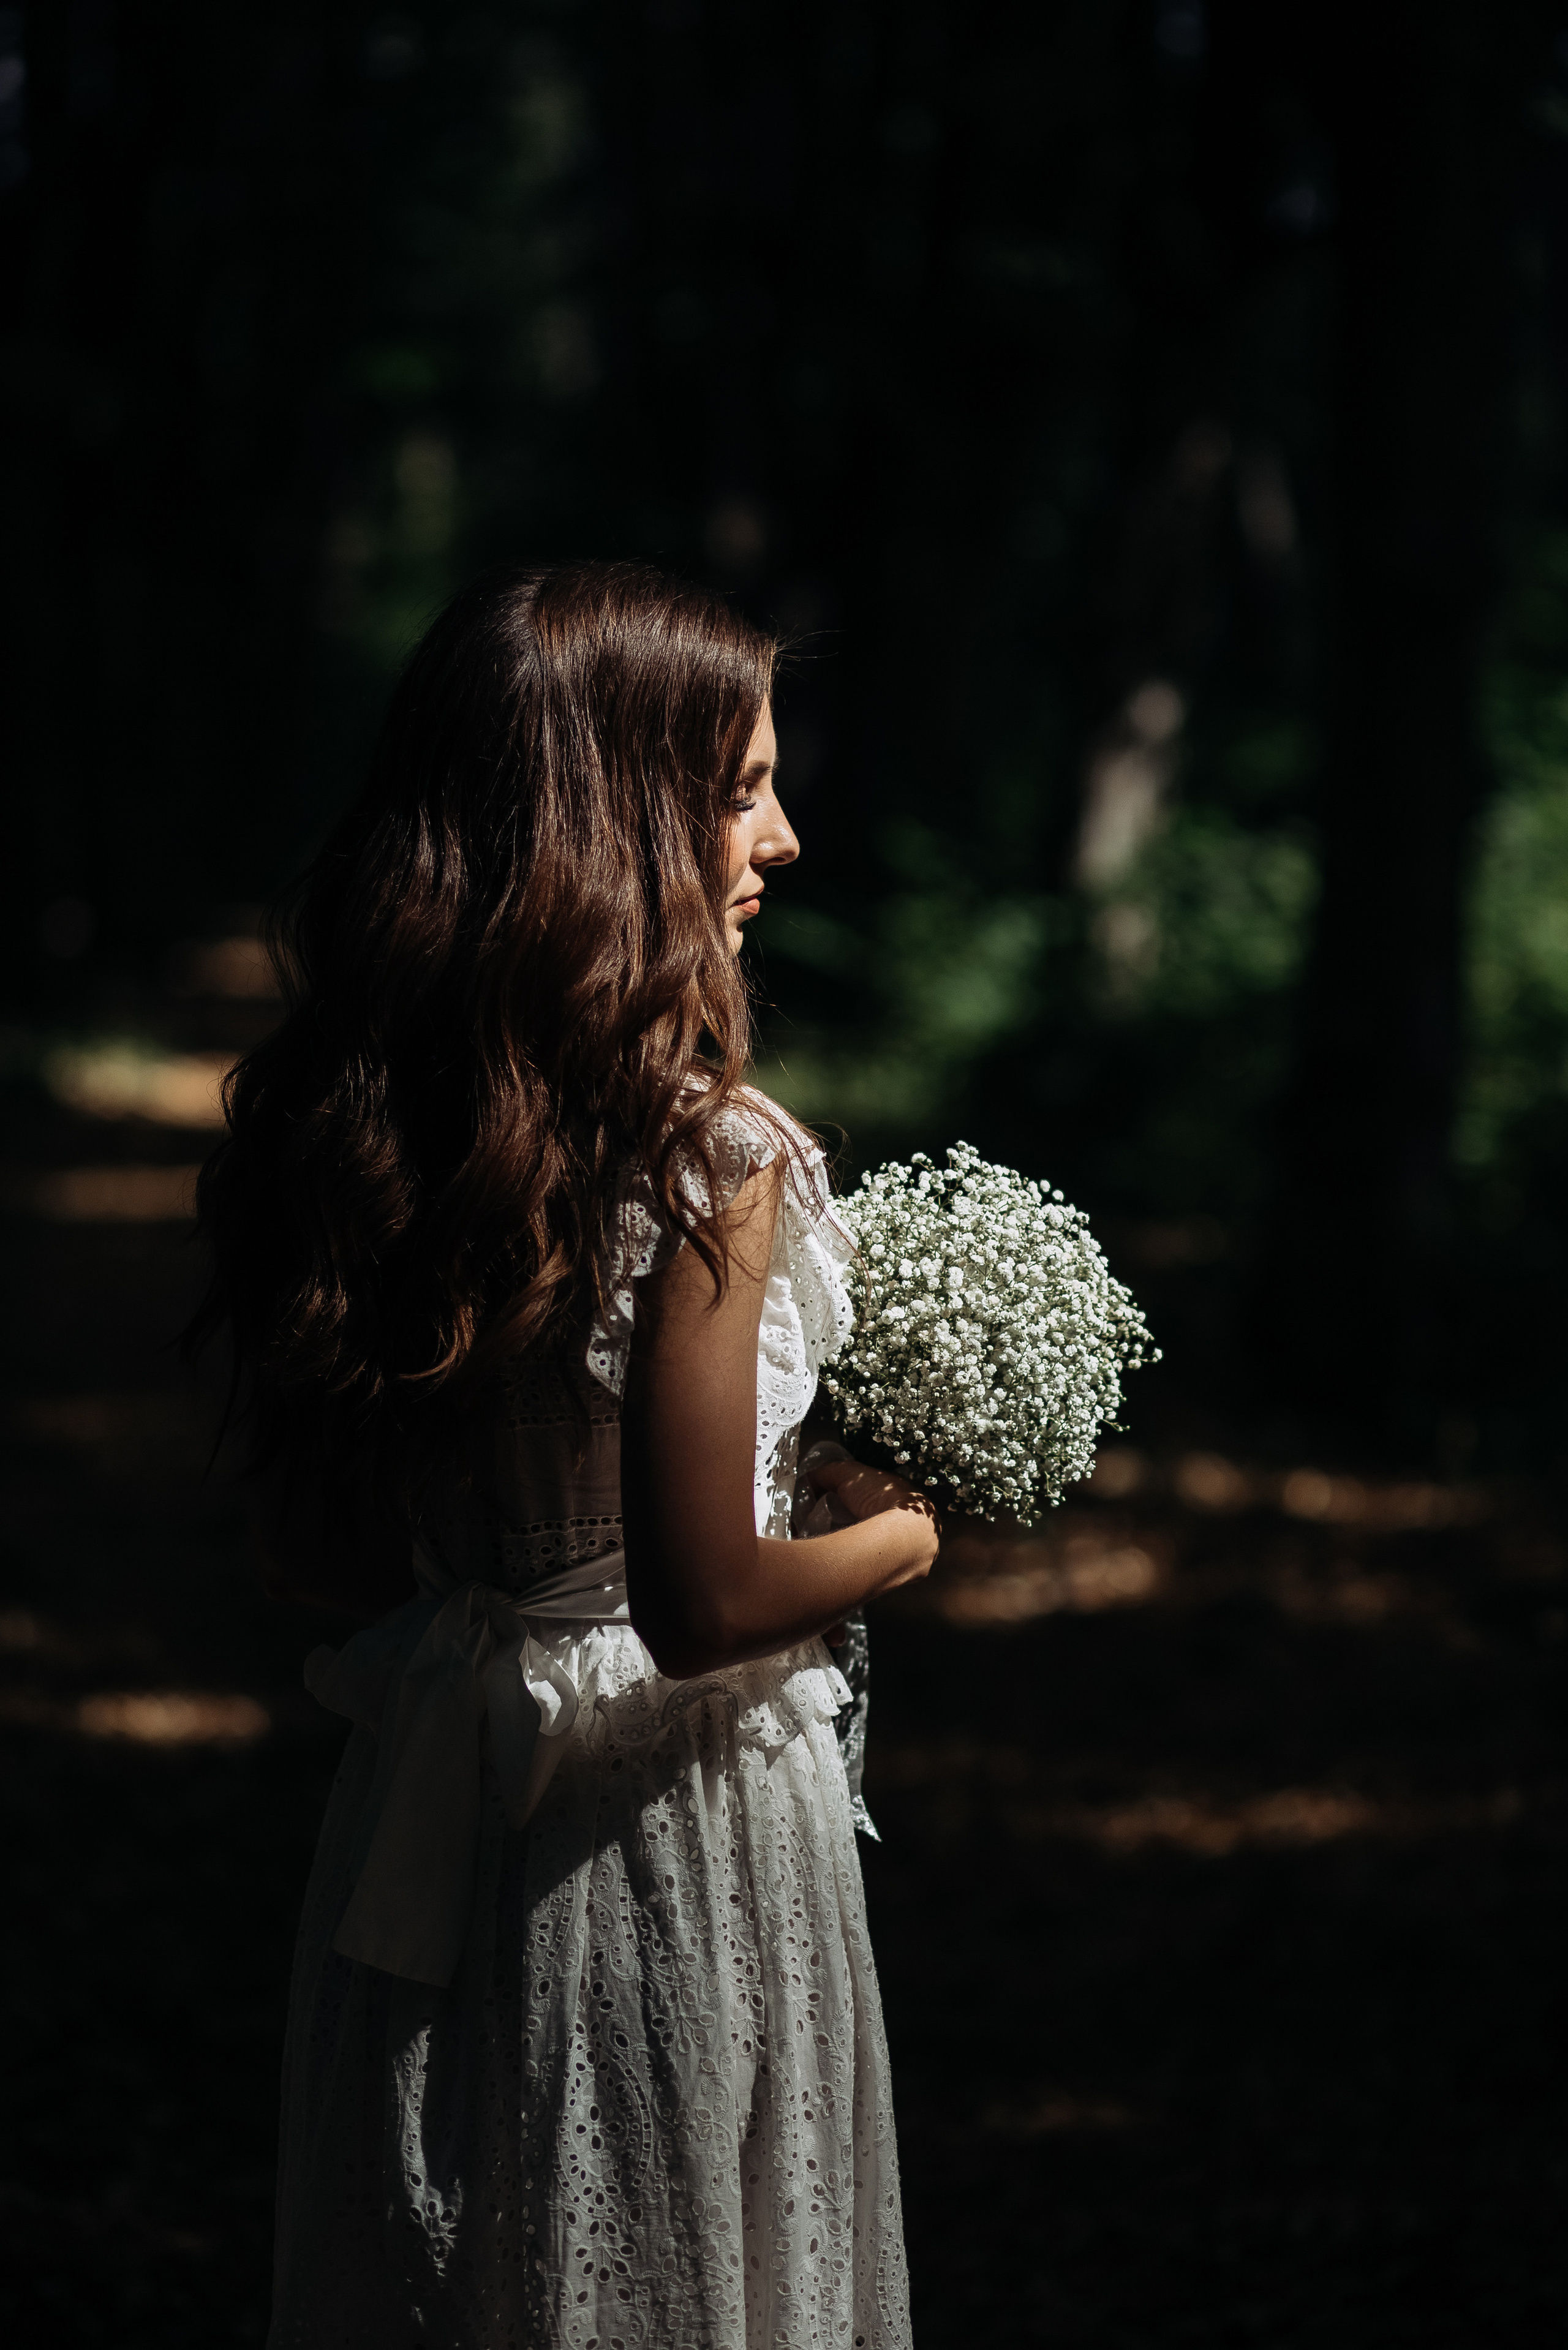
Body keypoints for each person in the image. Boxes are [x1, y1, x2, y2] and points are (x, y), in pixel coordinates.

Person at [190, 562, 938, 2349]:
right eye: (742, 788)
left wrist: (519, 1564)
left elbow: (318, 1548)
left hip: (433, 1806)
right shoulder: (705, 1161)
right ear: (619, 820)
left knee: (465, 2262)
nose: (787, 835)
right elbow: (706, 1601)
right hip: (661, 1823)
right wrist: (902, 1536)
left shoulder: (384, 1128)